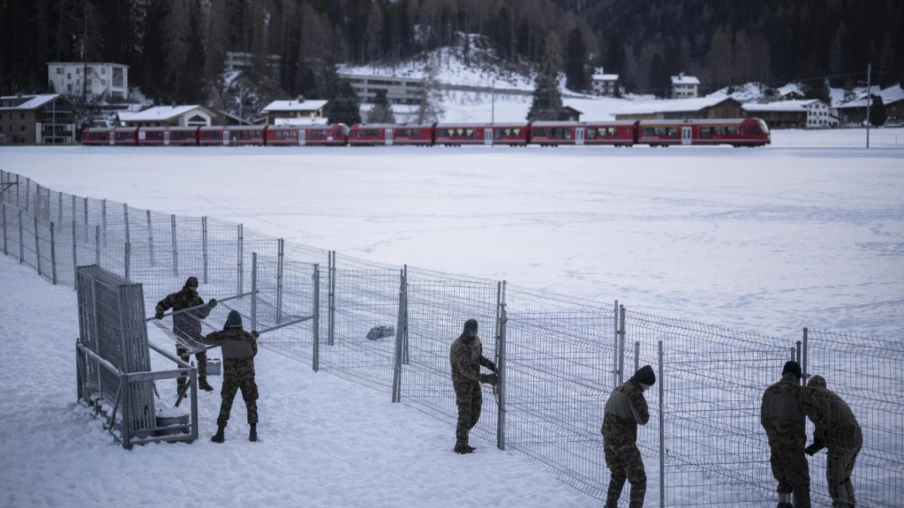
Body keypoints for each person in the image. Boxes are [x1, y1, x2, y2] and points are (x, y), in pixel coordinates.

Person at [761, 361, 822, 508]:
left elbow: (764, 420)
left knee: (783, 480)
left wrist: (774, 436)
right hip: (793, 447)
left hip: (775, 446)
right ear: (797, 376)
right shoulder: (799, 391)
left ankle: (783, 504)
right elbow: (817, 416)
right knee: (801, 482)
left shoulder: (769, 391)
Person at [602, 365, 655, 508]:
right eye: (648, 385)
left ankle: (610, 505)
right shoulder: (634, 394)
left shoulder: (620, 388)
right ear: (642, 382)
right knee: (639, 480)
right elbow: (643, 419)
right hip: (624, 443)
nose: (648, 388)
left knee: (618, 475)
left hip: (609, 441)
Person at [203, 310, 260, 443]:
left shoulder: (224, 336)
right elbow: (254, 352)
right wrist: (253, 336)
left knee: (226, 403)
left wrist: (224, 331)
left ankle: (220, 433)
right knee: (251, 402)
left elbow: (206, 339)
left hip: (230, 377)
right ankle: (253, 432)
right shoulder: (249, 337)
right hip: (248, 376)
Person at [805, 375, 862, 508]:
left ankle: (840, 505)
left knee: (835, 478)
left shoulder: (818, 395)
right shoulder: (829, 395)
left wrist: (818, 440)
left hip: (841, 441)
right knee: (844, 476)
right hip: (856, 437)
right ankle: (850, 502)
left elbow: (823, 420)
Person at [155, 276, 217, 393]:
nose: (193, 289)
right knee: (184, 361)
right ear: (187, 285)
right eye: (192, 287)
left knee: (202, 356)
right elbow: (162, 304)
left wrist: (209, 307)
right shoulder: (176, 297)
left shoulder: (197, 299)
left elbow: (202, 315)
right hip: (182, 333)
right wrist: (160, 311)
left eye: (195, 287)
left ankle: (202, 382)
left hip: (194, 333)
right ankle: (181, 388)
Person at [449, 319, 497, 454]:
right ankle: (461, 445)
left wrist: (489, 364)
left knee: (475, 410)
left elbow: (478, 357)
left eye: (474, 331)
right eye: (470, 332)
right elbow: (465, 370)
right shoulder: (459, 347)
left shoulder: (476, 341)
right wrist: (486, 378)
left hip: (473, 380)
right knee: (465, 412)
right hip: (462, 382)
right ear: (465, 330)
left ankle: (463, 432)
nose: (472, 334)